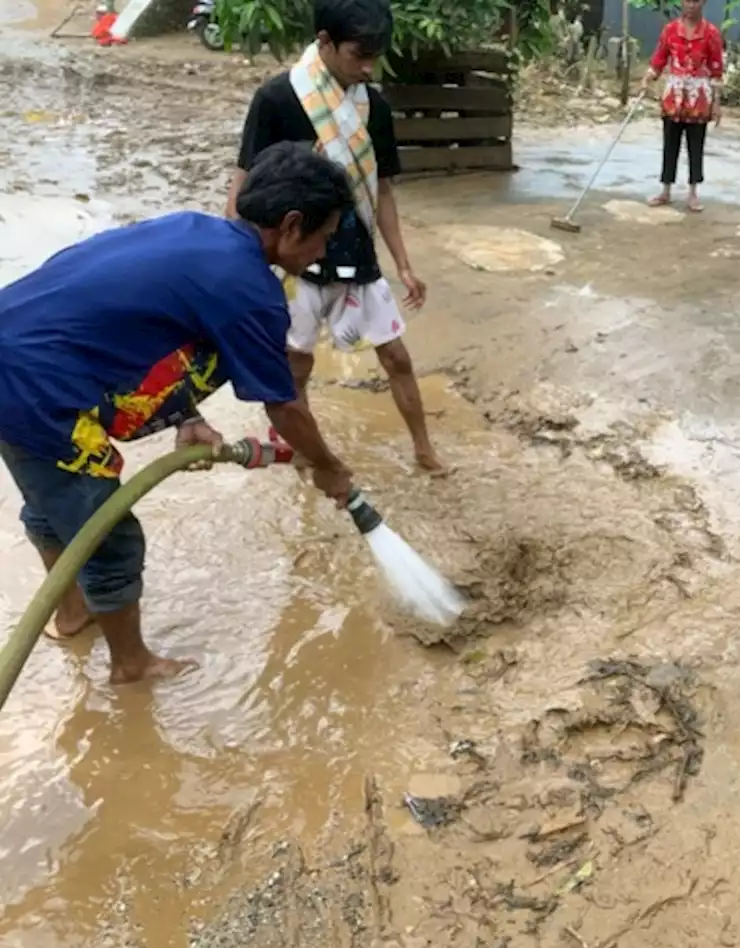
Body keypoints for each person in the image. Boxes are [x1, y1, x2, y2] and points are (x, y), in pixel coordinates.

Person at [0, 142, 358, 685]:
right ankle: (131, 666)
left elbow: (154, 335)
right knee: (109, 534)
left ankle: (73, 614)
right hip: (36, 389)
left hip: (17, 356)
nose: (321, 254)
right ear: (290, 226)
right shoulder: (250, 289)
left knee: (53, 499)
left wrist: (184, 415)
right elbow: (284, 406)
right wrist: (328, 466)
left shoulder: (199, 233)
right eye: (324, 238)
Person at [226, 0, 446, 474]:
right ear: (324, 42)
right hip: (295, 254)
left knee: (397, 355)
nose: (367, 67)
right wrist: (234, 254)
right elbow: (243, 179)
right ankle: (307, 452)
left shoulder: (375, 107)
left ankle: (425, 451)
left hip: (355, 246)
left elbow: (382, 191)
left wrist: (403, 263)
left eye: (375, 56)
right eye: (357, 54)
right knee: (296, 365)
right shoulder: (278, 99)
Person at [640, 0, 724, 213]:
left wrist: (717, 102)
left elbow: (716, 69)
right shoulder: (670, 30)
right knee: (670, 143)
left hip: (699, 97)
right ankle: (665, 190)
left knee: (696, 145)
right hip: (674, 95)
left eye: (696, 1)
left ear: (703, 3)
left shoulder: (711, 33)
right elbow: (659, 59)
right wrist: (649, 77)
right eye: (687, 1)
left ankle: (693, 193)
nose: (691, 5)